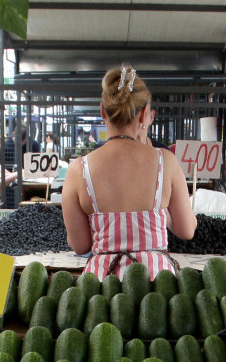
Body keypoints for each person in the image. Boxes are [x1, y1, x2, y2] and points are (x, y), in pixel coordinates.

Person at [62, 64, 196, 279]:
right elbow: (186, 230)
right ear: (144, 115)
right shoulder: (166, 161)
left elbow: (80, 246)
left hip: (101, 289)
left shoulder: (78, 170)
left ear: (102, 111)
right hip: (157, 288)